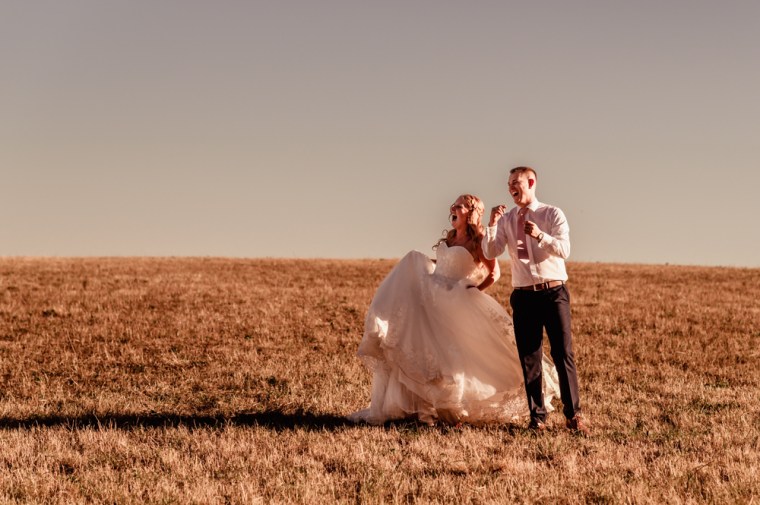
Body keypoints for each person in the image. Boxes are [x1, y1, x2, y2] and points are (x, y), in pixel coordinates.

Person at [350, 194, 559, 426]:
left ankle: (454, 409)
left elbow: (494, 273)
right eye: (453, 205)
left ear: (470, 212)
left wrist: (474, 290)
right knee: (424, 348)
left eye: (458, 206)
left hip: (456, 301)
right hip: (433, 297)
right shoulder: (450, 237)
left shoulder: (479, 240)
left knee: (453, 357)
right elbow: (444, 264)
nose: (453, 208)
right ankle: (421, 408)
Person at [482, 166, 589, 434]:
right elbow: (491, 250)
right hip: (523, 295)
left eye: (516, 183)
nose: (511, 188)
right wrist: (492, 225)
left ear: (531, 182)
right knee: (529, 357)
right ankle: (537, 418)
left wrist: (540, 235)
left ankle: (573, 415)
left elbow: (564, 250)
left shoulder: (551, 214)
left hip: (553, 292)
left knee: (563, 352)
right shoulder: (507, 220)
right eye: (508, 184)